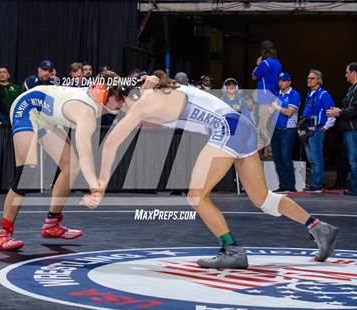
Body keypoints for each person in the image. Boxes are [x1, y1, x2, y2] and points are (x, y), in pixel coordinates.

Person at [82, 75, 338, 269]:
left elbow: (113, 142)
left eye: (112, 109)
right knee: (262, 198)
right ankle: (318, 227)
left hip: (226, 129)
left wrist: (101, 183)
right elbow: (150, 83)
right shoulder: (155, 88)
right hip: (241, 126)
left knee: (196, 196)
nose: (117, 113)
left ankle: (232, 250)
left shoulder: (142, 102)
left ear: (117, 99)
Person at [0, 71, 159, 251]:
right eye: (119, 98)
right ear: (105, 96)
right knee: (26, 174)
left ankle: (52, 223)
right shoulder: (85, 113)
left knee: (71, 166)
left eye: (123, 97)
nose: (122, 102)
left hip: (46, 115)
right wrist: (94, 186)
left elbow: (129, 97)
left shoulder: (109, 96)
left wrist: (146, 84)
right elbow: (86, 153)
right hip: (27, 107)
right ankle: (3, 234)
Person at [302, 69, 336, 193]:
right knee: (311, 159)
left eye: (311, 78)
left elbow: (331, 111)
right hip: (308, 129)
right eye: (308, 78)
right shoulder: (309, 95)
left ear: (319, 81)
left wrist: (326, 127)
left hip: (317, 129)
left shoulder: (323, 94)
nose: (308, 80)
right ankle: (314, 183)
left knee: (316, 158)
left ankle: (316, 185)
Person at [327, 62, 357, 196]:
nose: (345, 75)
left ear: (353, 72)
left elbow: (354, 110)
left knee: (353, 161)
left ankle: (355, 189)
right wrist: (338, 111)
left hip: (353, 130)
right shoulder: (351, 89)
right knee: (351, 160)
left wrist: (339, 112)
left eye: (347, 72)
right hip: (347, 130)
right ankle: (353, 187)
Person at [270, 73, 301, 192]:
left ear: (289, 82)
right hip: (276, 129)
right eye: (279, 80)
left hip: (288, 129)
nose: (280, 83)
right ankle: (283, 185)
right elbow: (271, 110)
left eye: (283, 81)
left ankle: (291, 186)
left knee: (285, 157)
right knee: (277, 158)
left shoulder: (294, 94)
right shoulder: (277, 94)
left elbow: (289, 112)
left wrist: (277, 107)